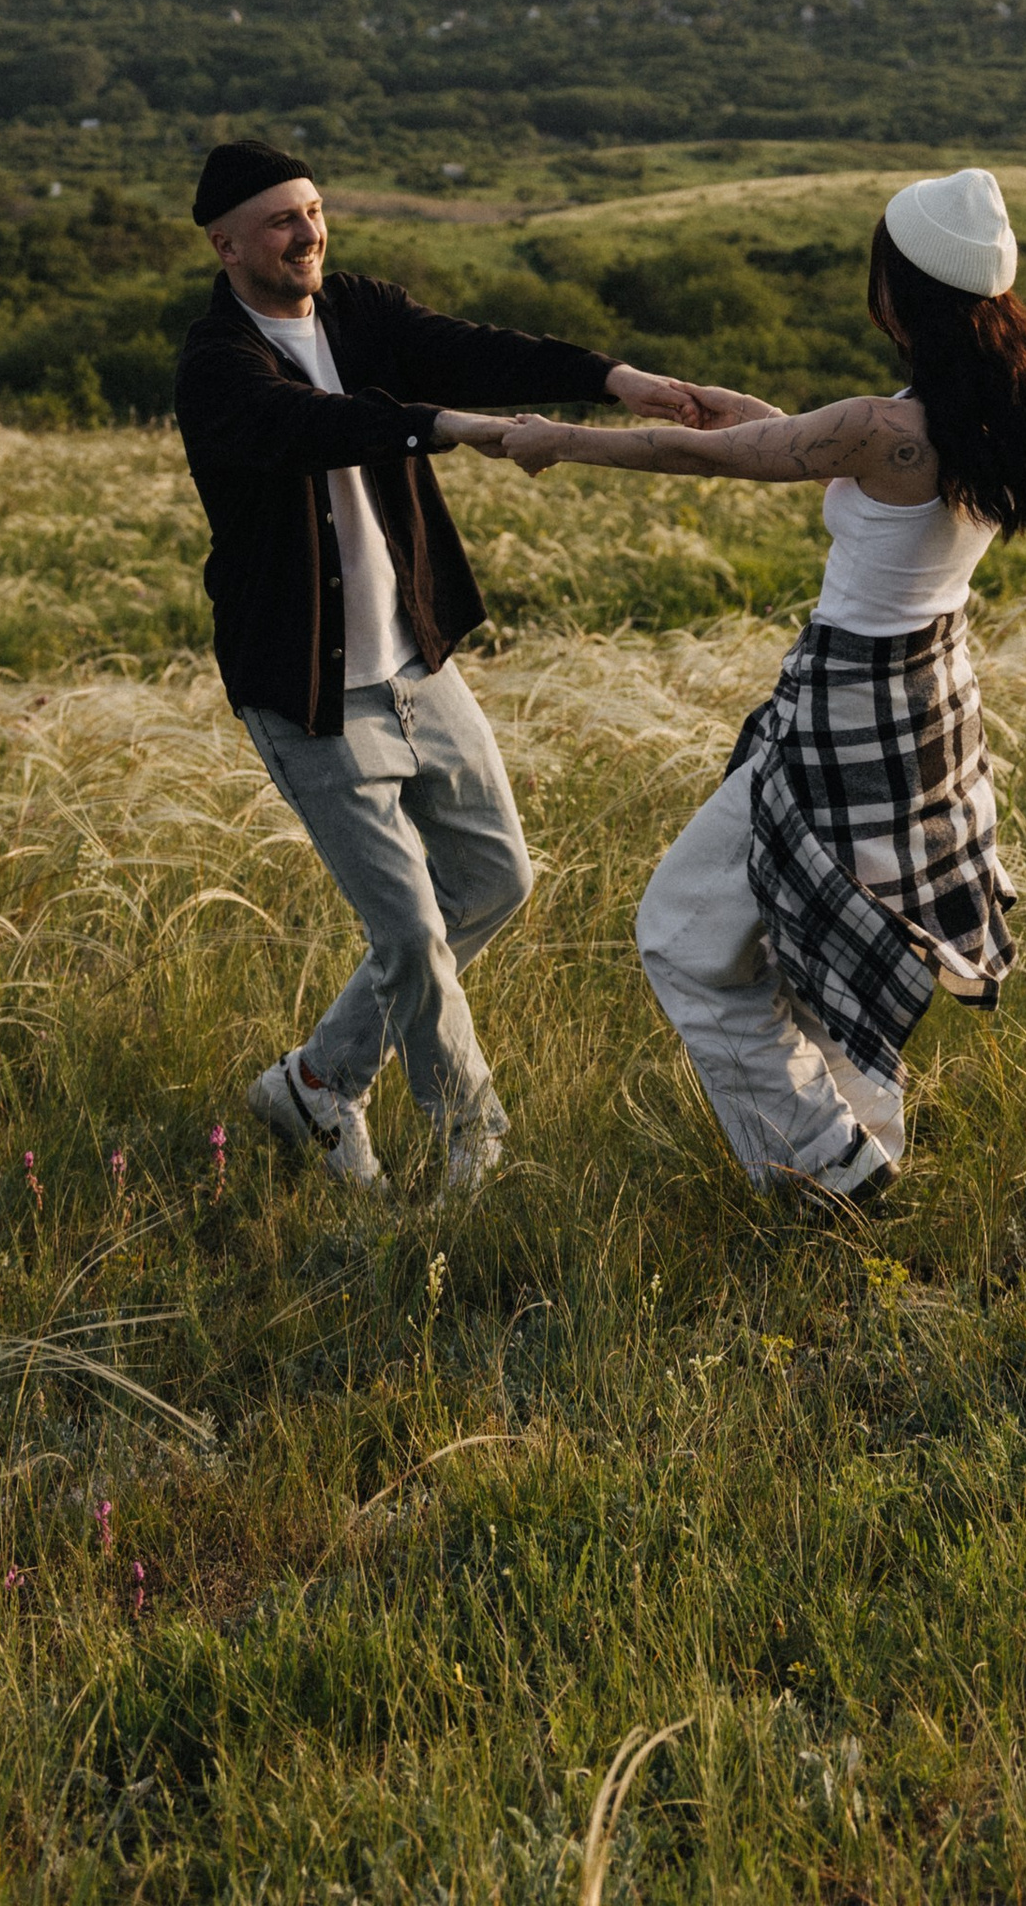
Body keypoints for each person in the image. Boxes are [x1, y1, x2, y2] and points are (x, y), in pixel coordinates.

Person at [496, 167, 1026, 1203]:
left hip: (841, 715)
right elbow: (804, 446)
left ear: (899, 289)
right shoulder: (979, 415)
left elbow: (734, 458)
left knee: (680, 937)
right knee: (821, 922)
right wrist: (729, 413)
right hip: (923, 709)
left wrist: (561, 440)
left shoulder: (883, 426)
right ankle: (861, 1138)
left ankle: (831, 1171)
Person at [173, 141, 756, 1193]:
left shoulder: (353, 310)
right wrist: (463, 433)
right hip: (311, 687)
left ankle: (313, 1084)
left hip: (416, 665)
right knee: (406, 934)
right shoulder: (217, 365)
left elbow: (470, 346)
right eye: (278, 221)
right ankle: (472, 1141)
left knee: (494, 879)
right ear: (224, 245)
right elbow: (314, 428)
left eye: (312, 210)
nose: (306, 233)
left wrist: (614, 381)